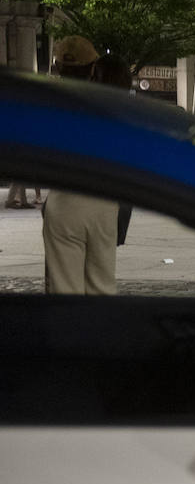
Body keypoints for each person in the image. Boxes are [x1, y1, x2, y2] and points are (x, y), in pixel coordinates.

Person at [42, 36, 119, 295]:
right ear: (93, 68)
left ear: (59, 68)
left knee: (65, 290)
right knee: (102, 287)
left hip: (63, 201)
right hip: (103, 200)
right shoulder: (107, 105)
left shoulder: (50, 104)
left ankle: (68, 335)